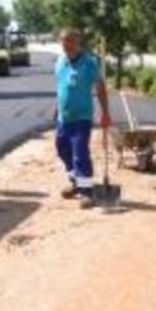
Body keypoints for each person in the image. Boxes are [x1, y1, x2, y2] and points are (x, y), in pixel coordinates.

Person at [53, 29, 111, 209]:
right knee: (62, 149)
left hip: (82, 118)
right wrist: (56, 108)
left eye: (70, 40)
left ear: (77, 42)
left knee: (80, 153)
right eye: (63, 41)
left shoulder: (89, 63)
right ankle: (75, 182)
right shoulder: (60, 61)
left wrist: (105, 112)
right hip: (64, 118)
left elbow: (100, 87)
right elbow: (61, 88)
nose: (66, 44)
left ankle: (87, 193)